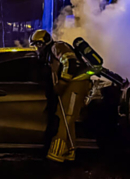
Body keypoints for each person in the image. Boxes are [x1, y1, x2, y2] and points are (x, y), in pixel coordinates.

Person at [30, 29, 90, 163]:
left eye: (38, 44)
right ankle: (69, 152)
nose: (36, 48)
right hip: (72, 84)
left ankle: (55, 156)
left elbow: (70, 62)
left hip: (76, 84)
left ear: (44, 43)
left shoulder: (57, 47)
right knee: (67, 120)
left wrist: (62, 83)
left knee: (64, 119)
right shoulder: (50, 53)